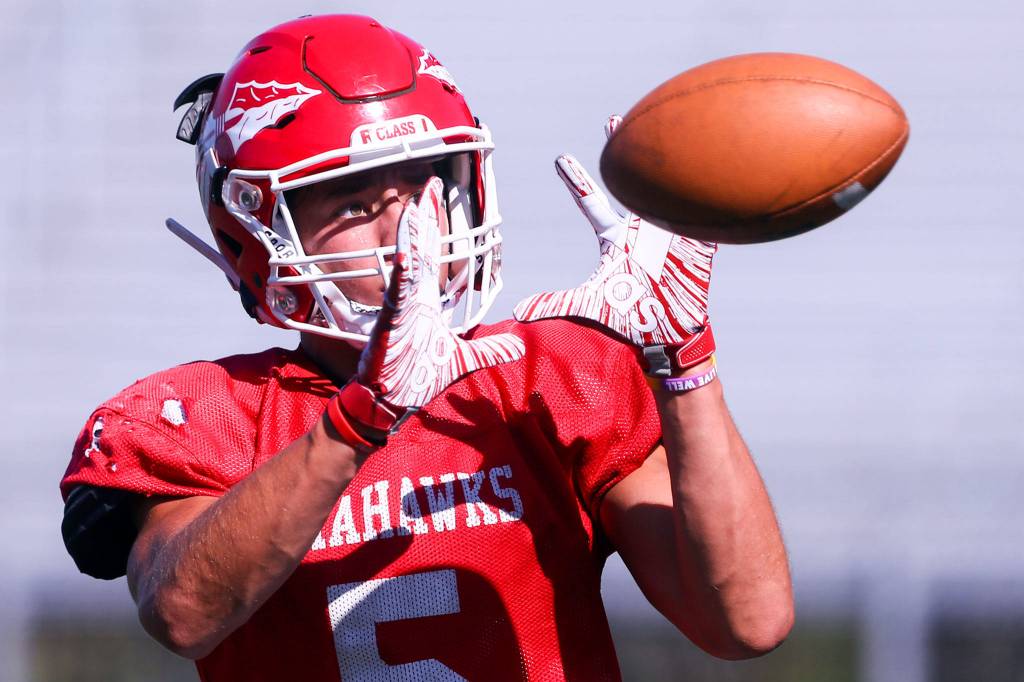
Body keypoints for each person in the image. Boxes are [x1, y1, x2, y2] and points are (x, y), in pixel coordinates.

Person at [59, 14, 793, 681]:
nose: (407, 226)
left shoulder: (546, 380)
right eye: (353, 201)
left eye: (424, 185)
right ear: (253, 232)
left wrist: (685, 363)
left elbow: (747, 621)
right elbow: (184, 613)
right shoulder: (198, 416)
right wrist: (360, 420)